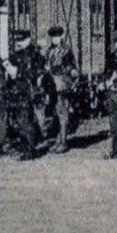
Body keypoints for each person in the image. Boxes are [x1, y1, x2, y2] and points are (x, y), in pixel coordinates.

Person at [2, 30, 45, 158]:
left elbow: (37, 73)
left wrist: (18, 72)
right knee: (21, 120)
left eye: (21, 40)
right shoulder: (16, 55)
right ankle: (28, 145)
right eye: (17, 40)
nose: (18, 43)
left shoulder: (35, 55)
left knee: (25, 120)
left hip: (28, 91)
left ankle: (29, 150)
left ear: (28, 40)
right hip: (18, 91)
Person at [44, 24, 80, 152]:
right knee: (56, 113)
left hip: (63, 84)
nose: (55, 39)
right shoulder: (48, 51)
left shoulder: (66, 50)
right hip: (52, 85)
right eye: (53, 37)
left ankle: (63, 142)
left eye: (57, 36)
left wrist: (61, 70)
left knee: (62, 113)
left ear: (62, 37)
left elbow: (72, 66)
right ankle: (59, 140)